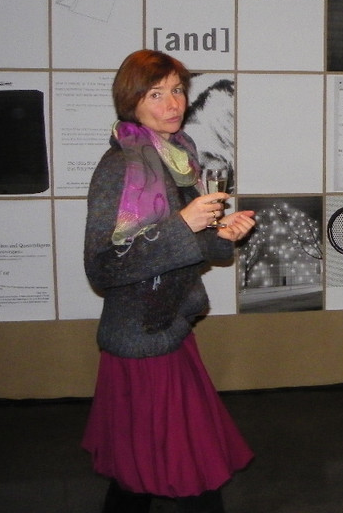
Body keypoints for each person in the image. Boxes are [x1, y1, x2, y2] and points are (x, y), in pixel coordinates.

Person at [81, 50, 257, 513]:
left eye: (177, 90)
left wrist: (222, 235)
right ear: (132, 102)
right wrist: (183, 224)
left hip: (170, 324)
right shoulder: (119, 167)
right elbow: (102, 267)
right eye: (156, 94)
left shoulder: (179, 156)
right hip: (140, 336)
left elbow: (190, 245)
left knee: (142, 467)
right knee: (177, 466)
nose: (172, 103)